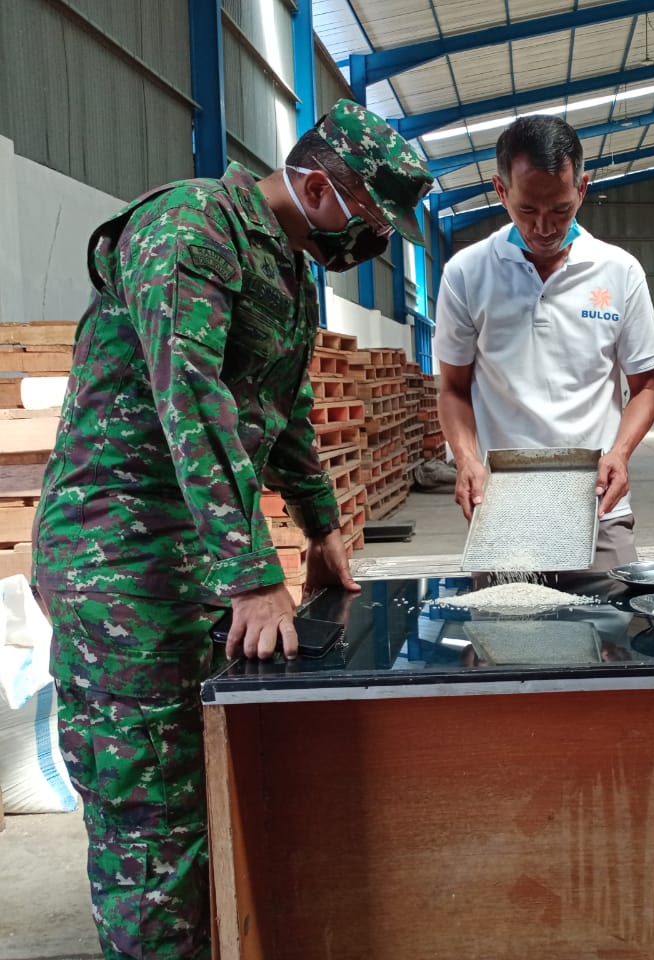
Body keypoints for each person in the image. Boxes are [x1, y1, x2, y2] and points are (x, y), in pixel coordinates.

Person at [30, 100, 433, 959]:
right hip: (121, 558)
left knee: (208, 780)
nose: (374, 246)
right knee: (150, 812)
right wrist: (255, 576)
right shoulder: (187, 231)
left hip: (193, 548)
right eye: (368, 222)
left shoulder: (285, 269)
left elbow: (277, 411)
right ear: (318, 186)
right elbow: (194, 402)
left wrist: (321, 529)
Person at [434, 115, 654, 571]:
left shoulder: (619, 271)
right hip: (503, 509)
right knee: (505, 636)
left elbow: (646, 388)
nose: (543, 227)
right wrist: (465, 460)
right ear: (501, 192)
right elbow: (453, 389)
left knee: (614, 636)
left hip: (597, 508)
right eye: (526, 211)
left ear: (582, 188)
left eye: (560, 209)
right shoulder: (466, 273)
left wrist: (619, 453)